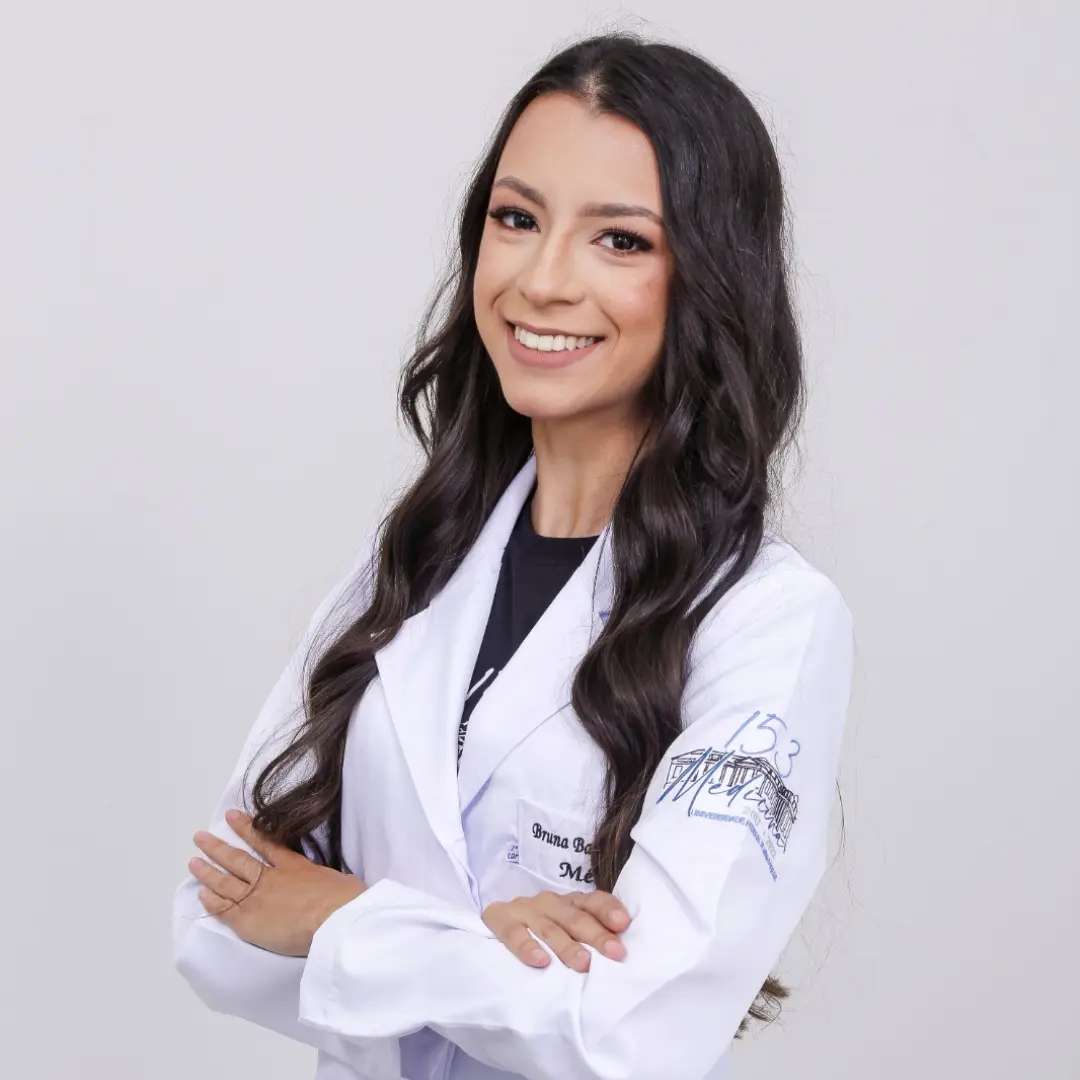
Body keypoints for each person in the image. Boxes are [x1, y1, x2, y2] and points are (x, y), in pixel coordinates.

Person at [172, 30, 855, 1080]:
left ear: (710, 279)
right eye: (517, 219)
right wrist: (485, 946)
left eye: (619, 240)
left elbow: (631, 1032)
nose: (542, 280)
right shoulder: (411, 564)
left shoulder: (767, 621)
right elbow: (215, 920)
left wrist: (340, 918)